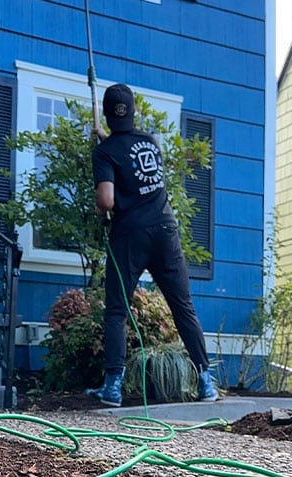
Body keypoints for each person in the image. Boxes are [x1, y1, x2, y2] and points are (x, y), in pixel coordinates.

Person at [86, 83, 219, 407]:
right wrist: (106, 138)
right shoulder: (150, 143)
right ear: (133, 111)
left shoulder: (104, 152)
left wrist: (98, 205)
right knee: (183, 307)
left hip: (130, 235)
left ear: (105, 112)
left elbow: (107, 198)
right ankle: (205, 382)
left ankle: (113, 387)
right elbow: (129, 155)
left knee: (117, 310)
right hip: (164, 231)